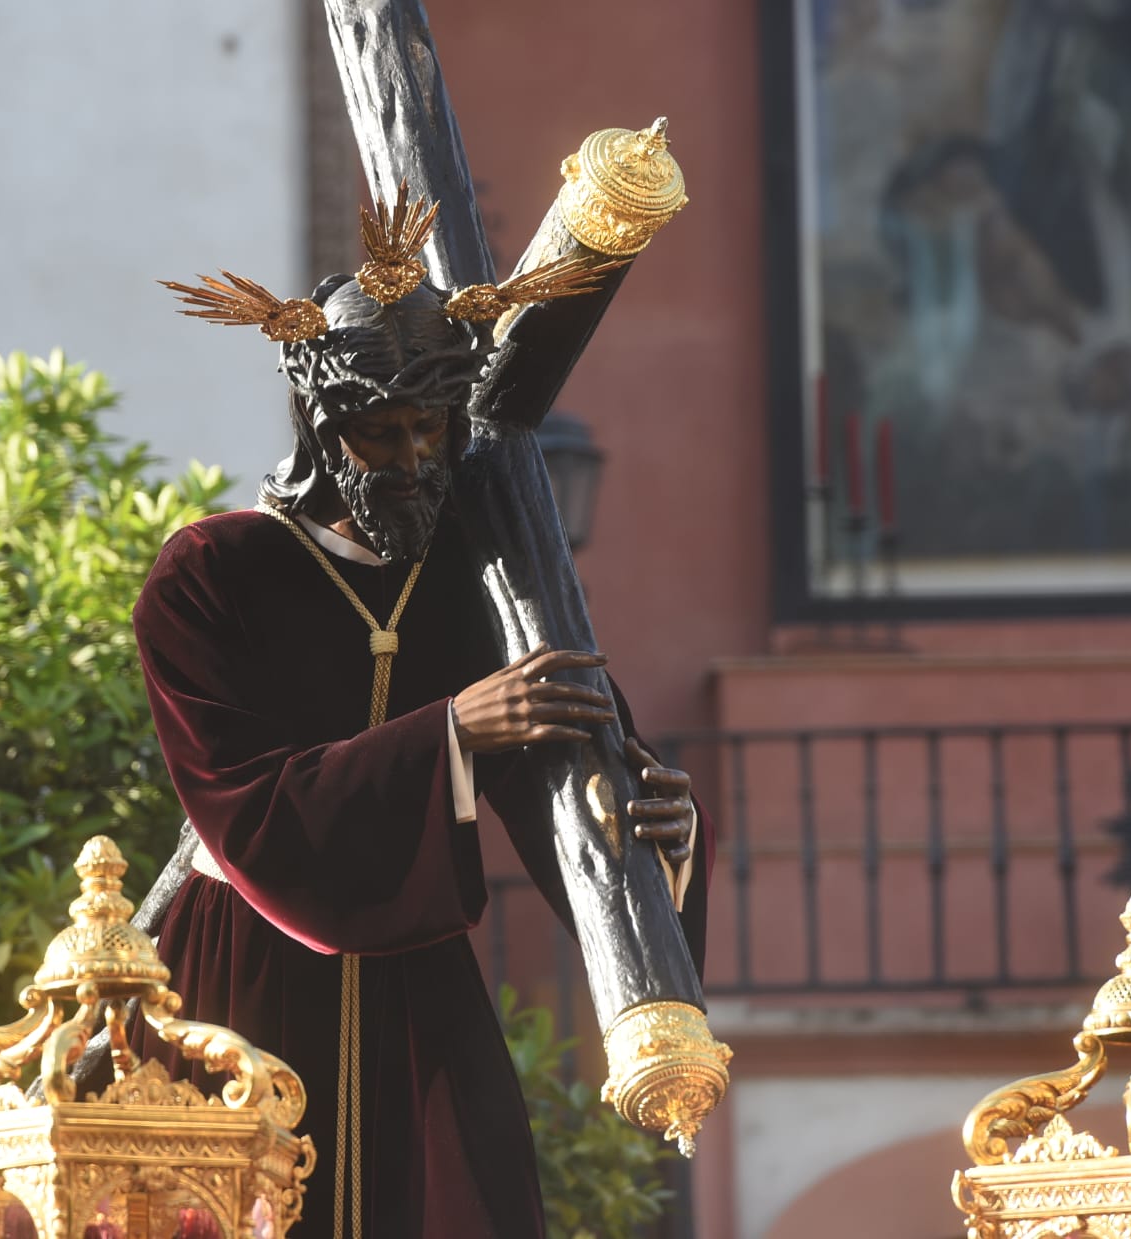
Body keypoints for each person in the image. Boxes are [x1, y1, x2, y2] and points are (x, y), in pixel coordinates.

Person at [133, 191, 711, 1239]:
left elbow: (569, 775)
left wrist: (651, 841)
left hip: (413, 971)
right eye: (380, 433)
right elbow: (244, 802)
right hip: (241, 967)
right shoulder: (211, 571)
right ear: (320, 424)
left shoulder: (480, 581)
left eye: (429, 431)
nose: (409, 462)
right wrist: (452, 732)